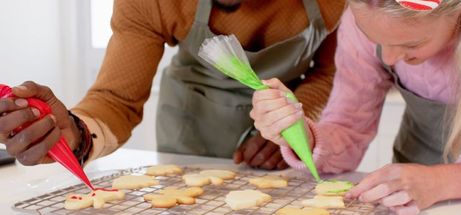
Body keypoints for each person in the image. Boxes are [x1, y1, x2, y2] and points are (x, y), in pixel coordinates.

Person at [0, 0, 345, 169]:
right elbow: (116, 99)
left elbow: (332, 72)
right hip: (190, 123)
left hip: (289, 127)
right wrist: (74, 134)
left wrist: (294, 125)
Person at [250, 0, 461, 215]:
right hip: (411, 203)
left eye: (412, 44)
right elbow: (348, 129)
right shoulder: (364, 13)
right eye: (376, 40)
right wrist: (303, 136)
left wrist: (439, 182)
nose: (389, 58)